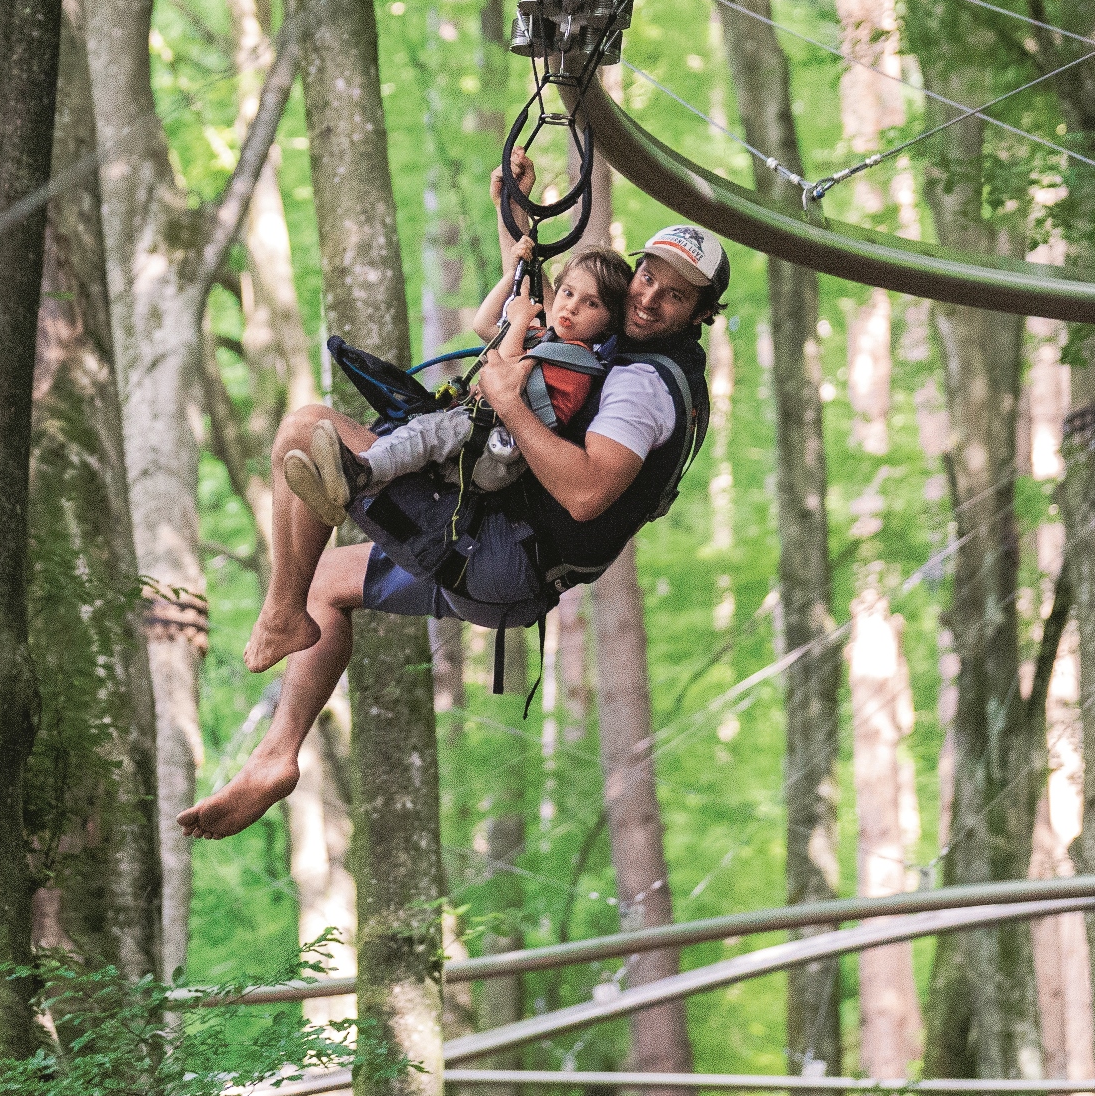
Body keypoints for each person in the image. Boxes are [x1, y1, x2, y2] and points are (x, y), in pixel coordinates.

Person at [178, 151, 729, 841]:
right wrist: (518, 221)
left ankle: (281, 613)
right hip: (513, 569)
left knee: (304, 431)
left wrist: (508, 403)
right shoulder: (640, 348)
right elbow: (550, 309)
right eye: (648, 275)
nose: (649, 296)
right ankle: (276, 757)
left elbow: (588, 494)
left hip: (501, 553)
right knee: (329, 578)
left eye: (675, 294)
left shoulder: (643, 387)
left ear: (701, 312)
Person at [281, 236, 632, 520]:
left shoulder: (578, 362)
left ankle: (362, 473)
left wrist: (521, 321)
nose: (571, 307)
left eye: (591, 304)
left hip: (498, 452)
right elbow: (483, 324)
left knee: (426, 434)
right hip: (481, 432)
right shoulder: (546, 340)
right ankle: (339, 493)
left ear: (608, 322)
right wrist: (513, 275)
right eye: (568, 293)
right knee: (416, 431)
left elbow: (502, 370)